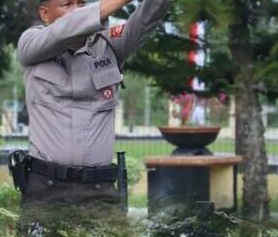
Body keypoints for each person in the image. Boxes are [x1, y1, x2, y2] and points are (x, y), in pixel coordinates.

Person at [14, 0, 170, 213]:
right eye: (67, 4)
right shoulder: (30, 44)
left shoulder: (111, 46)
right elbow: (67, 29)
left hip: (100, 190)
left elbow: (149, 16)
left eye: (82, 3)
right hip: (45, 189)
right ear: (45, 14)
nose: (78, 10)